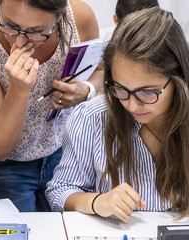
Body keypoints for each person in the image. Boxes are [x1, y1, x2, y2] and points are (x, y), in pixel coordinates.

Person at [0, 0, 103, 212]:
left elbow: (100, 69)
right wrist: (18, 89)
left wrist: (87, 89)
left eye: (36, 31)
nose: (20, 40)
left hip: (62, 152)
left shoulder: (79, 18)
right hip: (4, 167)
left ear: (60, 19)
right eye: (9, 25)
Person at [46, 7, 189, 222]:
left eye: (147, 92)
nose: (131, 105)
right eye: (120, 89)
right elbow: (60, 191)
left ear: (179, 79)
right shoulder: (92, 117)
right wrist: (97, 201)